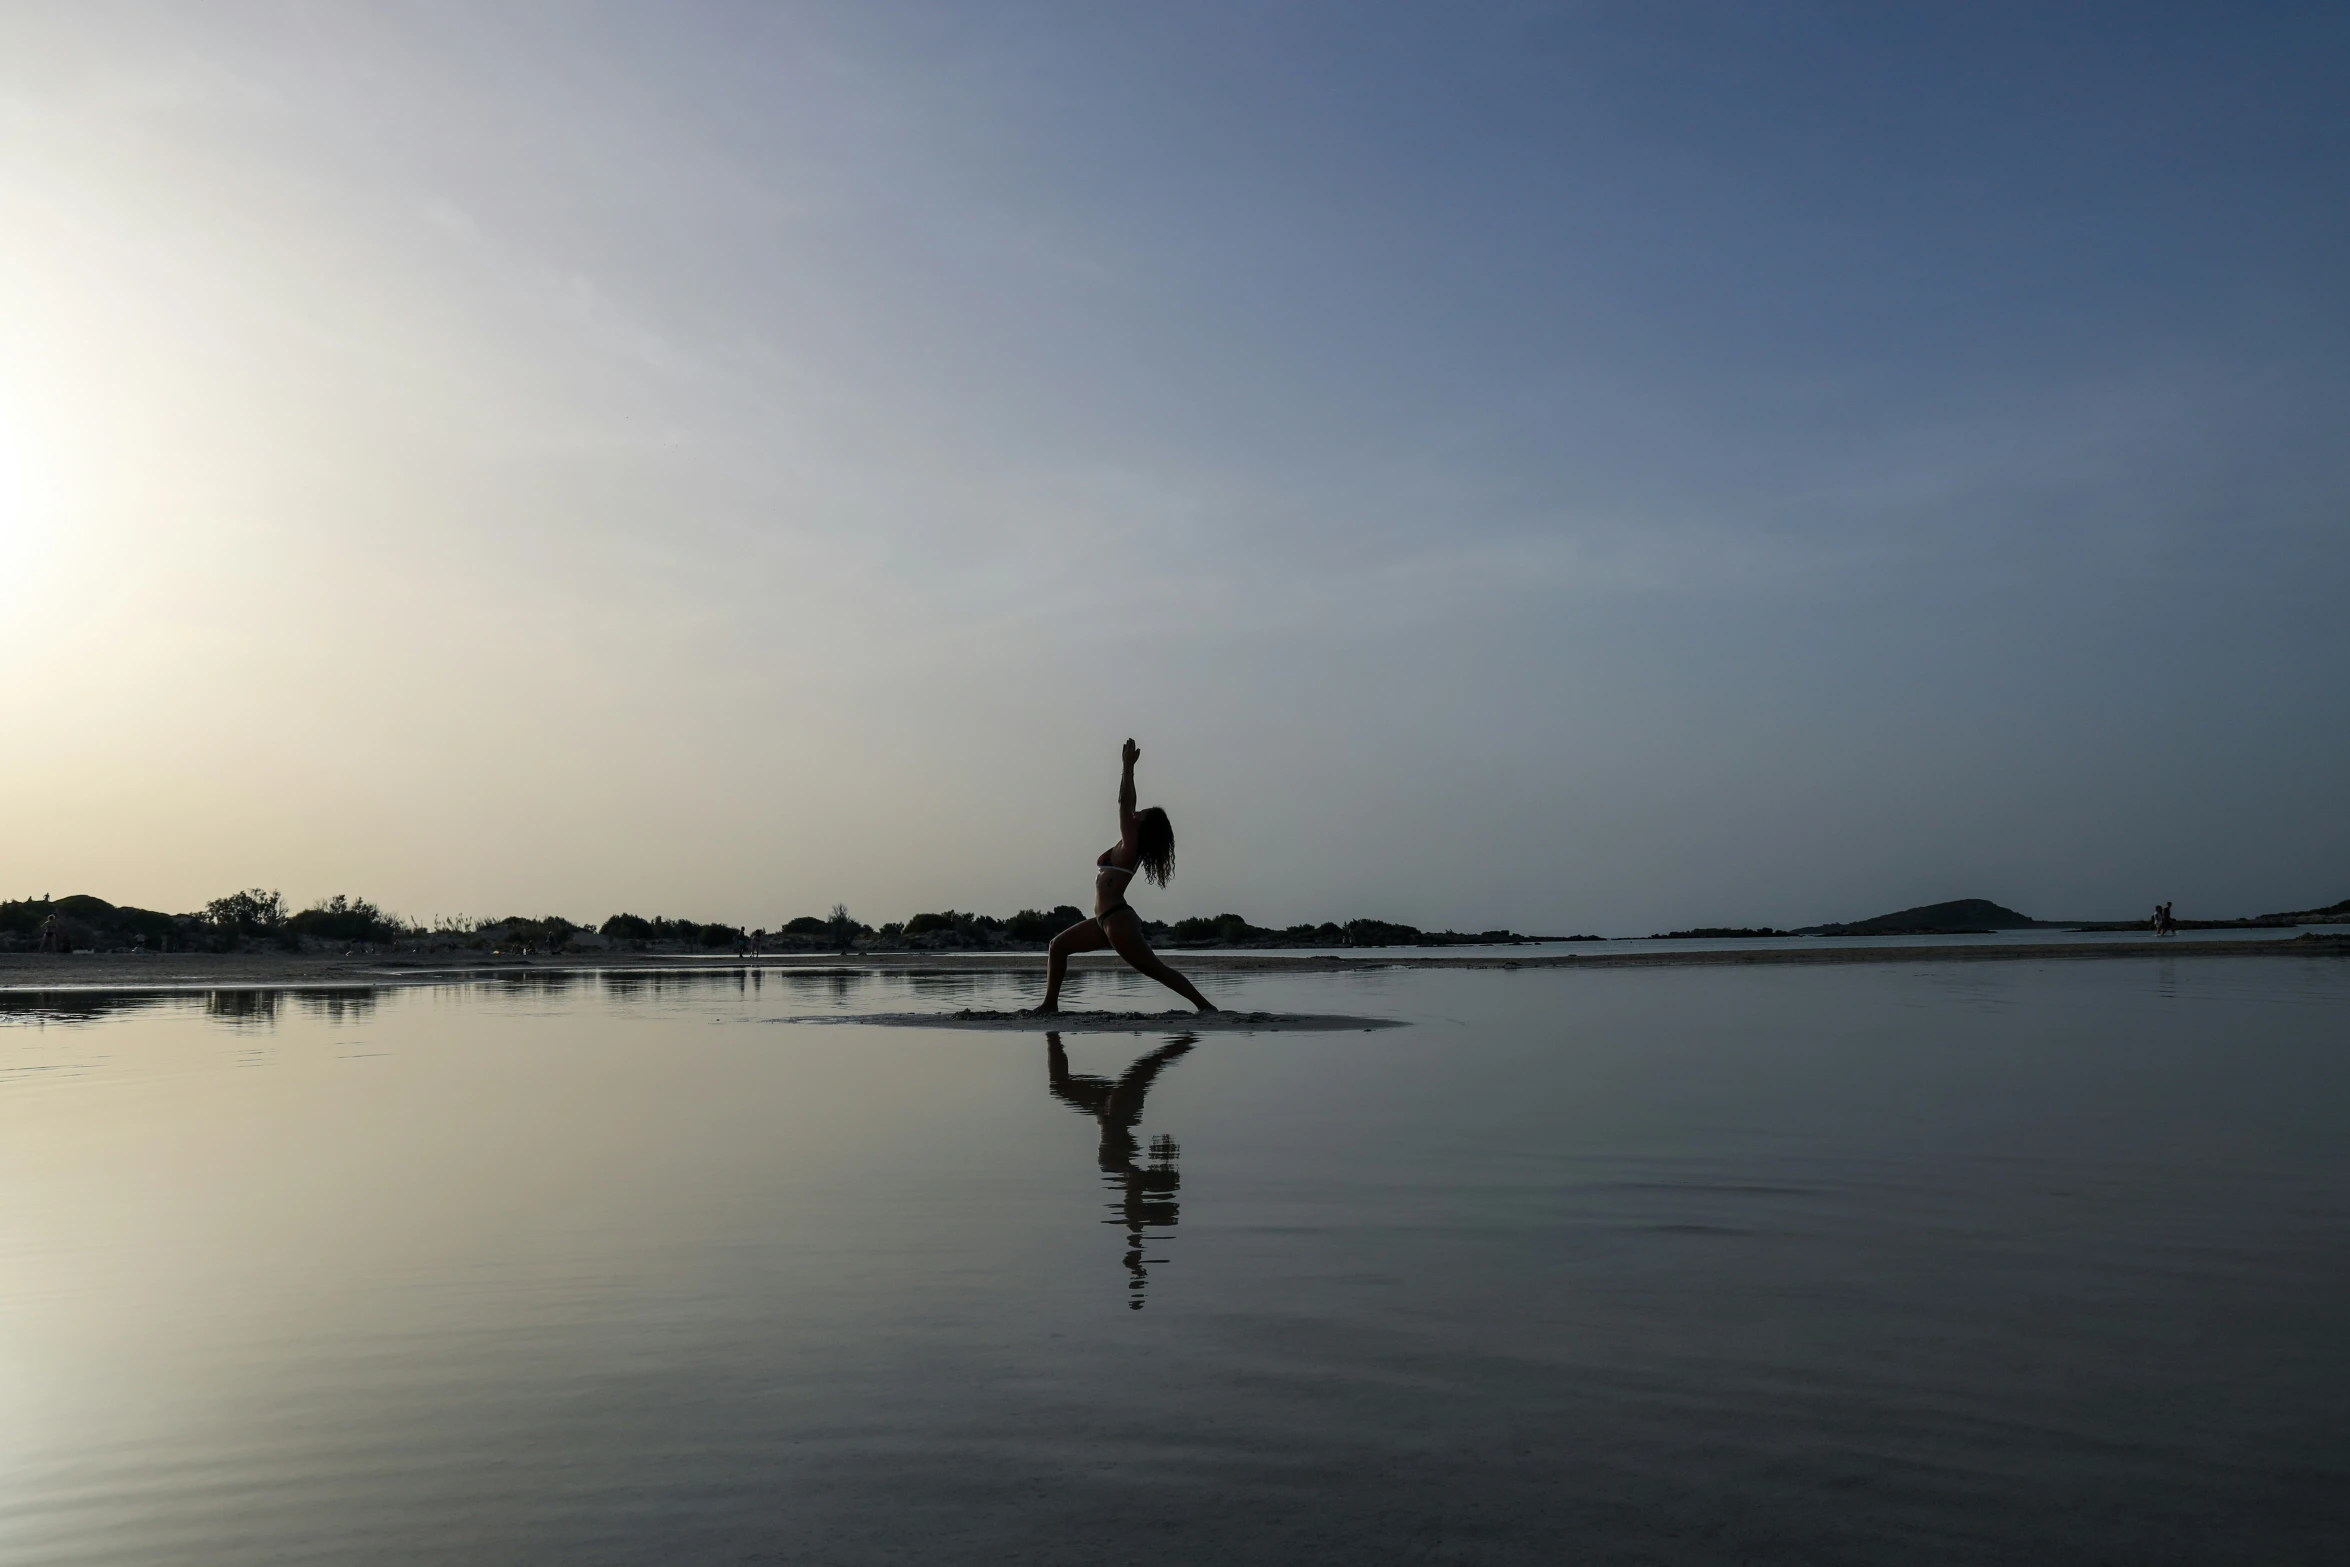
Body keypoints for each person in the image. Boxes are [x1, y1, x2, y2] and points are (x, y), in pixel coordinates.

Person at [1032, 738, 1218, 1014]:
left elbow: (1124, 803)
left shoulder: (1132, 845)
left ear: (1145, 827)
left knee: (1156, 970)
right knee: (1057, 946)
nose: (1136, 813)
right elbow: (1128, 805)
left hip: (1118, 921)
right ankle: (1050, 1005)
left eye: (1141, 814)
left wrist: (1127, 767)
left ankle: (1206, 1007)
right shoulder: (1127, 844)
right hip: (1103, 921)